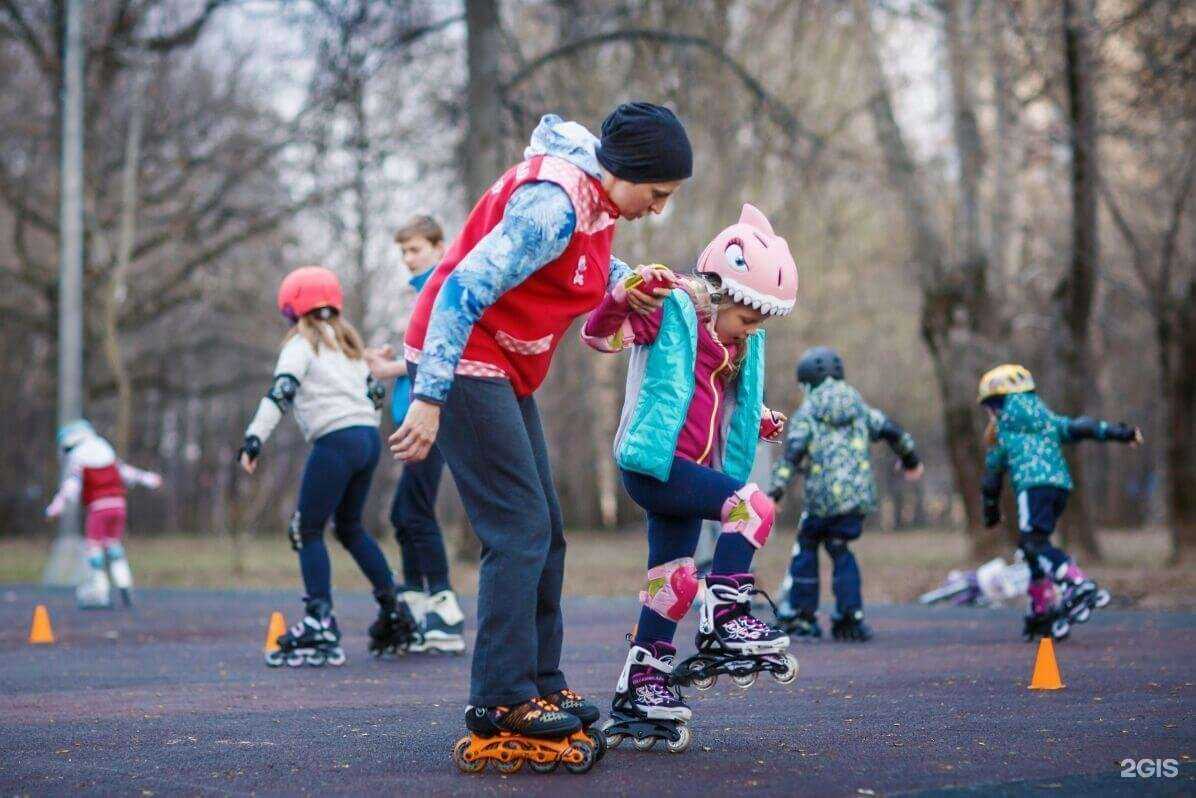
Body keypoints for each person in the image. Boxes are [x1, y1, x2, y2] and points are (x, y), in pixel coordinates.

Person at [392, 103, 692, 773]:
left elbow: (575, 271)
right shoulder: (553, 205)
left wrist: (628, 286)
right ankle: (501, 699)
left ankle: (540, 682)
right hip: (463, 358)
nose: (659, 209)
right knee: (517, 526)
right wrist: (430, 396)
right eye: (659, 193)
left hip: (499, 363)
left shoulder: (597, 202)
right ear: (630, 172)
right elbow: (463, 285)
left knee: (547, 526)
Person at [582, 204, 800, 752]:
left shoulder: (732, 346)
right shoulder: (672, 309)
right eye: (747, 319)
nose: (751, 331)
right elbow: (598, 336)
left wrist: (761, 416)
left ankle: (642, 682)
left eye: (759, 324)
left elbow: (718, 400)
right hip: (653, 465)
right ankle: (726, 614)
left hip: (688, 472)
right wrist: (618, 299)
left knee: (674, 580)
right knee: (753, 506)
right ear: (723, 294)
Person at [238, 266, 418, 667]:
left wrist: (253, 439)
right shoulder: (350, 348)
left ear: (291, 309)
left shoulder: (301, 345)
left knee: (306, 529)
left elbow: (281, 392)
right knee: (350, 527)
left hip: (335, 441)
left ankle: (319, 621)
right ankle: (395, 612)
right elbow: (373, 395)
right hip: (367, 440)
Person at [768, 346, 923, 642]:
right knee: (840, 549)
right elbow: (894, 432)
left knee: (807, 545)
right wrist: (911, 462)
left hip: (822, 499)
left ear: (807, 382)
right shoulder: (859, 408)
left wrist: (776, 491)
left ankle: (802, 616)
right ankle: (850, 618)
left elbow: (793, 454)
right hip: (856, 499)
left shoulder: (808, 412)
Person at [977, 364, 1141, 640]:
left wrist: (991, 513)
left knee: (1033, 544)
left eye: (989, 408)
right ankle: (1042, 608)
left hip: (1033, 488)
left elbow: (991, 479)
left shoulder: (1004, 431)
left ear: (998, 404)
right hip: (1060, 489)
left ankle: (1077, 583)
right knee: (1033, 547)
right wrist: (1121, 433)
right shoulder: (1048, 420)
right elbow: (1083, 427)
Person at [365, 215, 464, 654]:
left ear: (439, 247)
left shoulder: (440, 287)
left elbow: (444, 352)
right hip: (411, 420)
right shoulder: (420, 291)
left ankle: (443, 608)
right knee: (404, 514)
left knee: (413, 510)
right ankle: (420, 604)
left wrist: (389, 367)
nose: (408, 259)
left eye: (415, 249)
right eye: (403, 251)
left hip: (433, 421)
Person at [45, 420, 162, 609]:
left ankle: (100, 592)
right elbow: (126, 472)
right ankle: (125, 584)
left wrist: (55, 508)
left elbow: (70, 488)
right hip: (119, 505)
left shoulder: (78, 458)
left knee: (94, 548)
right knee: (113, 544)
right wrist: (148, 479)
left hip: (98, 507)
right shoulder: (105, 451)